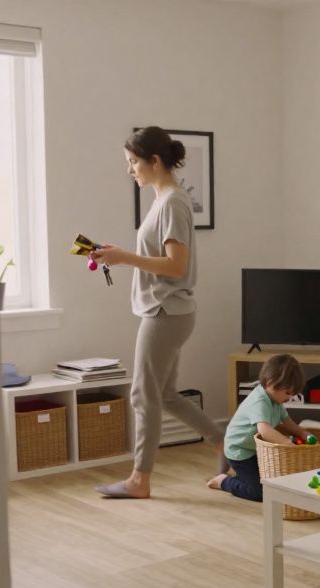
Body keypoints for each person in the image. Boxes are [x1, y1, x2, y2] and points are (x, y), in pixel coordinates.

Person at [92, 126, 225, 499]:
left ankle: (139, 480)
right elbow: (164, 259)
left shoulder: (171, 203)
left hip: (165, 310)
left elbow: (175, 266)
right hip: (168, 309)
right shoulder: (164, 199)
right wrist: (121, 254)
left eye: (134, 162)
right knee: (164, 394)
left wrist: (124, 258)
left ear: (155, 161)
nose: (130, 170)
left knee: (142, 393)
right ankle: (223, 439)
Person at [209, 354, 310, 502]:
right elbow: (264, 430)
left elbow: (286, 420)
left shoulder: (276, 400)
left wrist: (302, 433)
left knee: (274, 480)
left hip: (255, 449)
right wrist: (287, 444)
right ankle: (224, 481)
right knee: (261, 492)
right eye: (287, 393)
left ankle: (243, 478)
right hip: (240, 451)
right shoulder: (259, 401)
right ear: (271, 382)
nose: (289, 398)